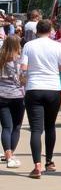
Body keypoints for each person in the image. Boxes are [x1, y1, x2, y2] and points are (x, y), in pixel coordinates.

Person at [23, 19, 61, 178]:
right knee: (50, 126)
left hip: (34, 88)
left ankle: (37, 165)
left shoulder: (29, 45)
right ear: (51, 31)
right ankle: (49, 161)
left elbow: (23, 68)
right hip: (53, 89)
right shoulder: (58, 46)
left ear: (37, 31)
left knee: (36, 129)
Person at [0, 35, 27, 169]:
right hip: (18, 96)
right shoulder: (21, 60)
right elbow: (23, 80)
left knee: (6, 127)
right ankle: (11, 155)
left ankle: (8, 154)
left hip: (2, 95)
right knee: (16, 126)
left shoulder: (1, 59)